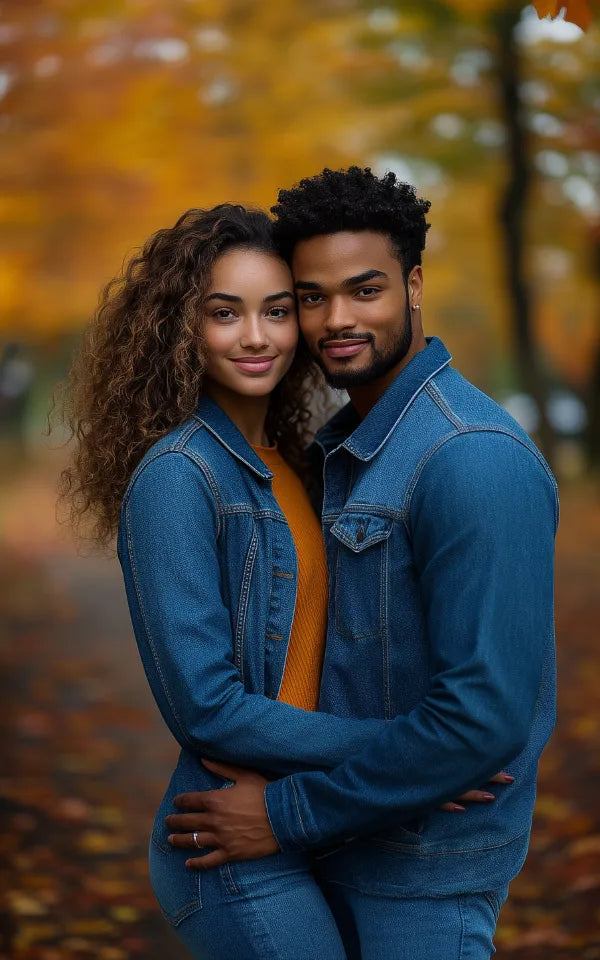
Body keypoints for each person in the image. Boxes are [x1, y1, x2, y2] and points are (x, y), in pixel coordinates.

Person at [58, 203, 502, 960]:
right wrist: (404, 751)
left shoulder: (299, 463)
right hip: (226, 840)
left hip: (309, 813)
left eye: (277, 310)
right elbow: (208, 709)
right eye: (224, 313)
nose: (257, 337)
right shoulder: (178, 477)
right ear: (180, 327)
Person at [166, 168, 558, 960]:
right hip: (349, 848)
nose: (335, 319)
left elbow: (481, 719)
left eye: (365, 289)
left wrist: (285, 815)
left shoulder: (470, 458)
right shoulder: (349, 450)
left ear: (414, 286)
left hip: (422, 872)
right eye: (311, 297)